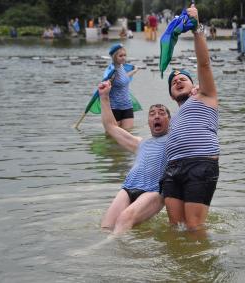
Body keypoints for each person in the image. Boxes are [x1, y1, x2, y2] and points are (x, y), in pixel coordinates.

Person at [160, 5, 219, 233]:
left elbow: (204, 64)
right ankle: (180, 267)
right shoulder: (174, 117)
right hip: (173, 170)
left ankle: (202, 266)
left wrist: (197, 30)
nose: (177, 80)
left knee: (194, 227)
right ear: (171, 95)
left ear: (195, 85)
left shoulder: (206, 96)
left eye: (183, 78)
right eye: (173, 82)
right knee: (176, 227)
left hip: (200, 164)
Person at [97, 80, 171, 235]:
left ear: (170, 121)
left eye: (161, 113)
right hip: (129, 188)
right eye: (152, 114)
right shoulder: (139, 142)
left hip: (155, 191)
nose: (156, 116)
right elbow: (111, 127)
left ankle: (100, 250)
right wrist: (104, 97)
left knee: (124, 219)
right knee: (106, 226)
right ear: (148, 122)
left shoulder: (174, 140)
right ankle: (108, 247)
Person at [106, 43, 139, 130]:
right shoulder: (111, 71)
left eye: (125, 55)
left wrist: (134, 71)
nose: (123, 57)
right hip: (114, 108)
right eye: (120, 56)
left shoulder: (122, 67)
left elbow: (124, 77)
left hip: (127, 106)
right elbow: (106, 84)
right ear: (114, 57)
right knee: (112, 136)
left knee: (128, 133)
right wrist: (108, 81)